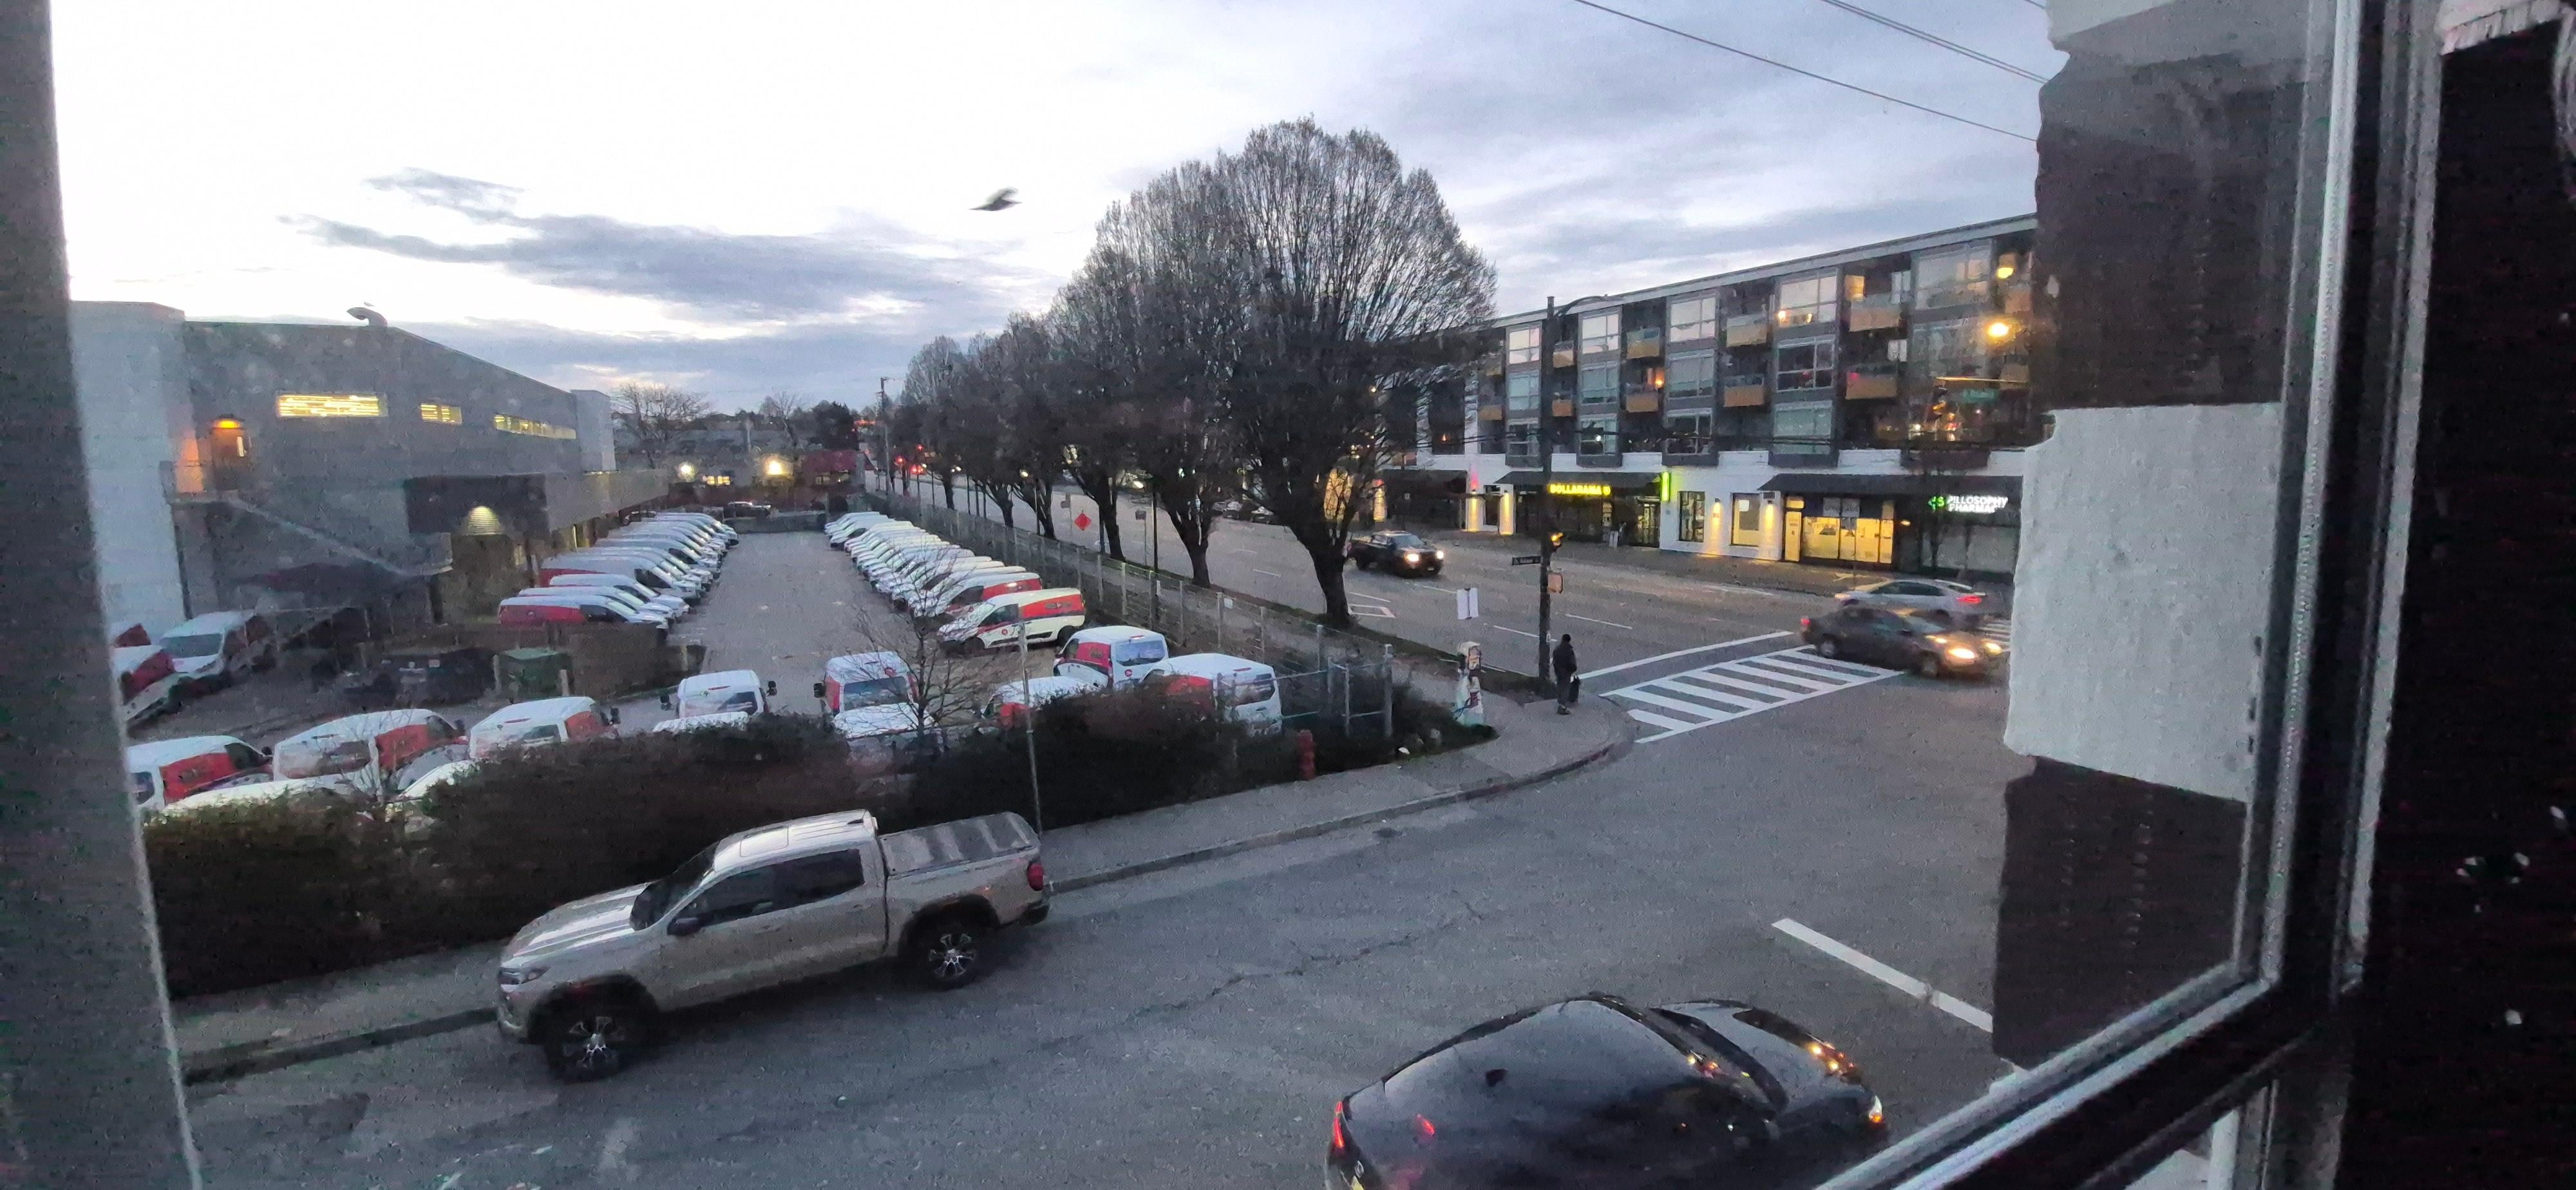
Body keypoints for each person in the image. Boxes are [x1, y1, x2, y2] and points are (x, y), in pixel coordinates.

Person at [1552, 633, 1579, 714]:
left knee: (1560, 687)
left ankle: (1560, 703)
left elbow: (1555, 661)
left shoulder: (1558, 649)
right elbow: (1572, 663)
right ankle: (1562, 707)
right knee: (1565, 689)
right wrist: (1571, 670)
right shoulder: (1569, 651)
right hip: (1566, 673)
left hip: (1559, 672)